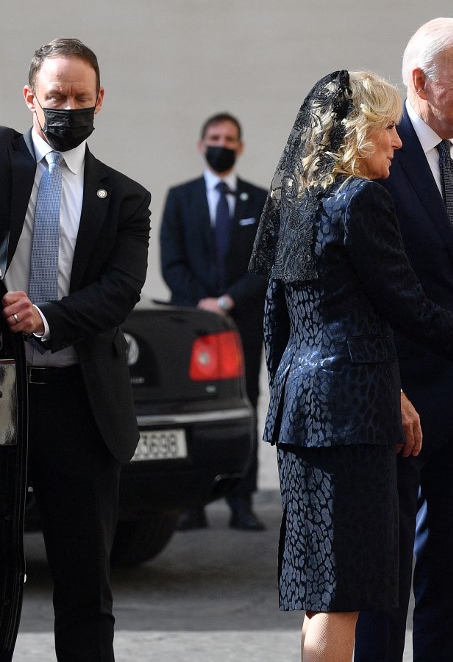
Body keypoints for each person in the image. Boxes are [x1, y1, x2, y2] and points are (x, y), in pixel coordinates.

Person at [249, 70, 453, 662]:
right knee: (346, 596)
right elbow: (407, 306)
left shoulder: (300, 200)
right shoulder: (360, 198)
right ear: (355, 133)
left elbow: (275, 318)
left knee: (318, 594)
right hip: (353, 417)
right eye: (384, 128)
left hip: (301, 418)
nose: (397, 140)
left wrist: (283, 395)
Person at [353, 18, 453, 662]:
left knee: (452, 565)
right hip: (396, 401)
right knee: (386, 573)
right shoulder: (378, 158)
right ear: (419, 82)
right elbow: (363, 291)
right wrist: (381, 385)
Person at [0, 38, 151, 661]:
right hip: (4, 397)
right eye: (55, 97)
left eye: (80, 99)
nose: (68, 109)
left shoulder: (125, 197)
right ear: (31, 98)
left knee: (86, 584)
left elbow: (120, 291)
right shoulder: (5, 164)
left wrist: (46, 317)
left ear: (100, 101)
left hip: (80, 404)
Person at [160, 112, 268, 532]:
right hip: (192, 324)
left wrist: (226, 300)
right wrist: (201, 303)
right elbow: (171, 262)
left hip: (241, 321)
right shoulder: (180, 197)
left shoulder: (259, 201)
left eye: (230, 138)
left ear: (240, 147)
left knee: (244, 405)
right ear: (202, 144)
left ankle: (242, 502)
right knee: (192, 407)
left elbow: (265, 264)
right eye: (215, 137)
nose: (222, 143)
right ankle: (193, 503)